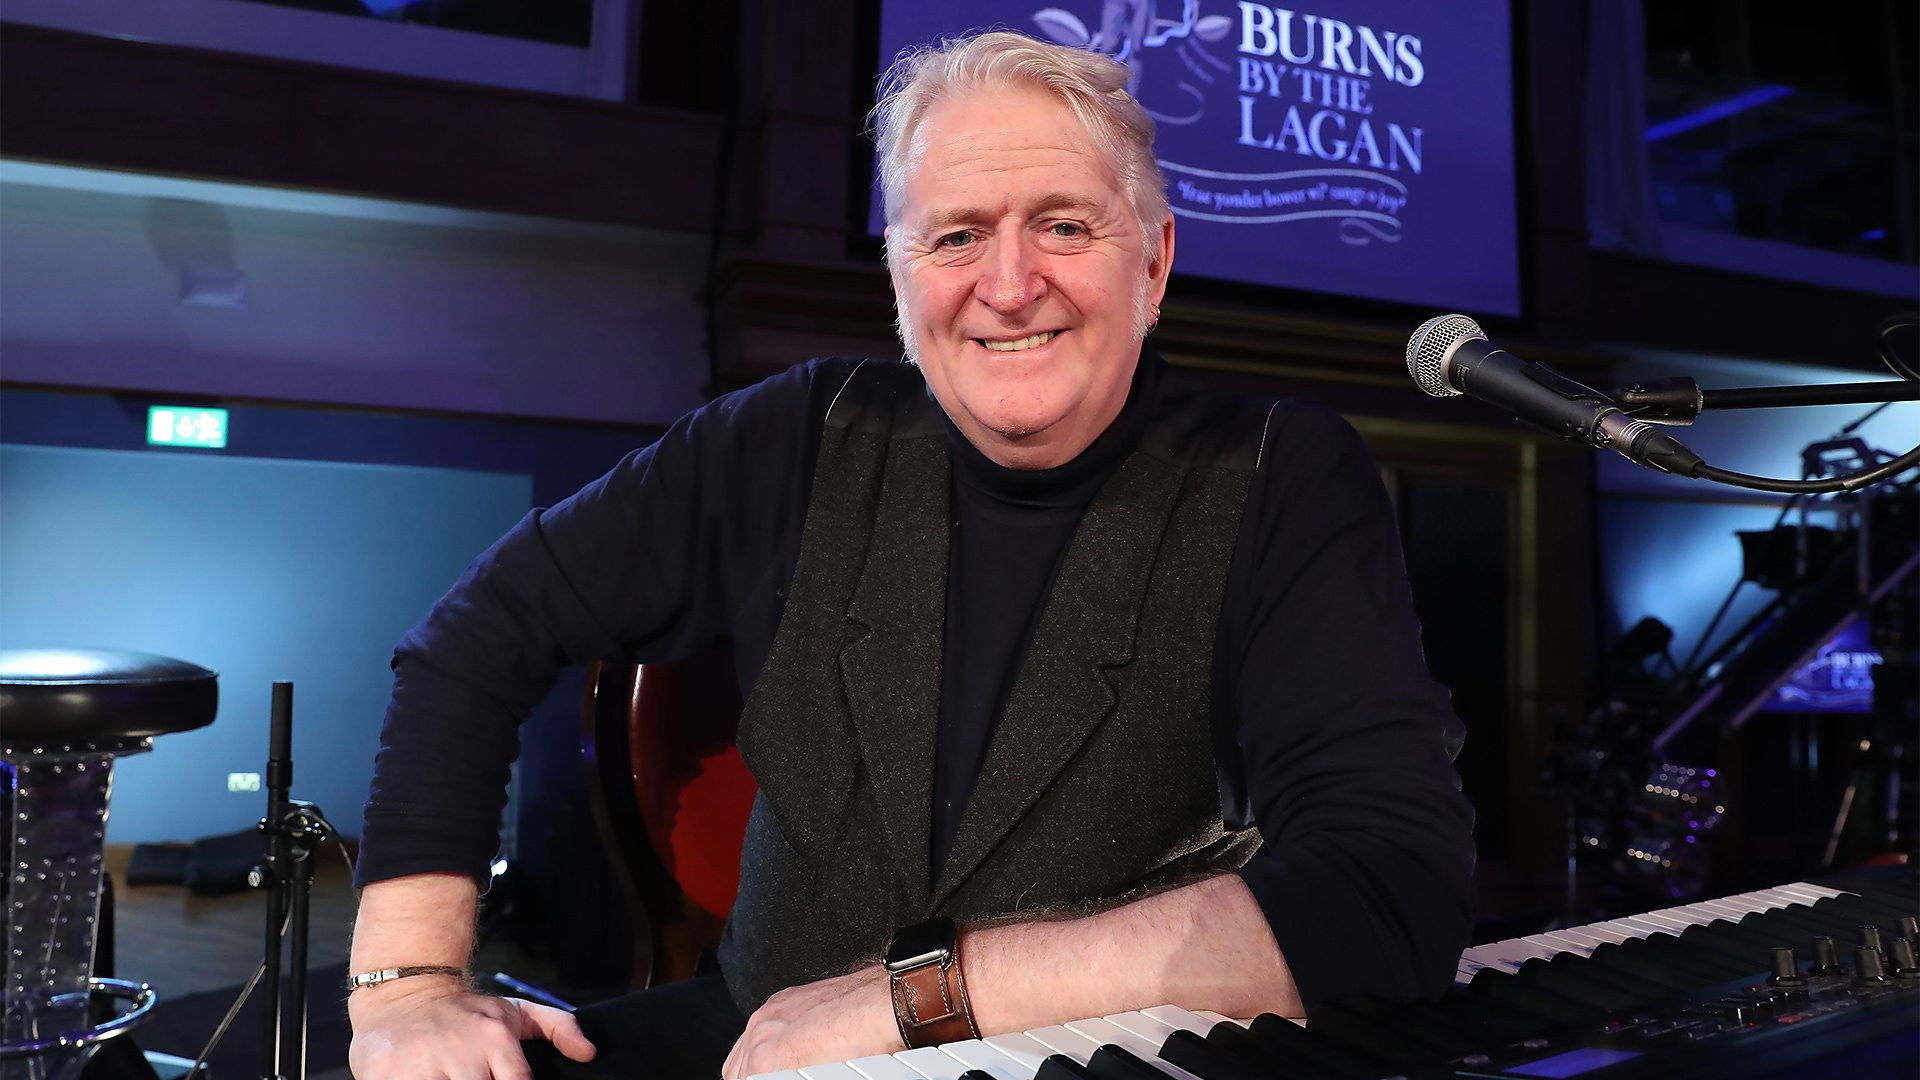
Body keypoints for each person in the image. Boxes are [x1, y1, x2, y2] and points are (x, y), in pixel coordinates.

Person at [345, 30, 1474, 1080]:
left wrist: (919, 1001)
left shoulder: (1279, 473)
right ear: (898, 273)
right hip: (756, 1051)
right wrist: (406, 989)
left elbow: (1388, 893)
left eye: (1065, 226)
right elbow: (473, 636)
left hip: (1096, 1060)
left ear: (1156, 262)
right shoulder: (790, 436)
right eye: (956, 235)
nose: (1010, 286)